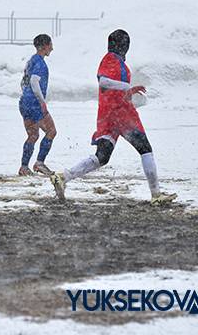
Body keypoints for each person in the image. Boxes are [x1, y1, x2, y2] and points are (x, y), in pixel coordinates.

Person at [49, 29, 177, 205]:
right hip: (121, 113)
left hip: (107, 114)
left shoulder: (118, 63)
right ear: (124, 45)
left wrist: (128, 92)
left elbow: (111, 86)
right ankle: (156, 195)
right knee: (145, 149)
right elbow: (103, 82)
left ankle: (63, 176)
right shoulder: (110, 58)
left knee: (102, 157)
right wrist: (126, 88)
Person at [18, 34, 57, 176]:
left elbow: (24, 81)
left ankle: (24, 167)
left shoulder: (31, 61)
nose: (52, 48)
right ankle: (39, 163)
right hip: (34, 103)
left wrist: (26, 96)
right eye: (50, 45)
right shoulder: (40, 63)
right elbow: (34, 82)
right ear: (45, 46)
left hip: (24, 102)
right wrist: (42, 102)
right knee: (51, 131)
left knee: (33, 135)